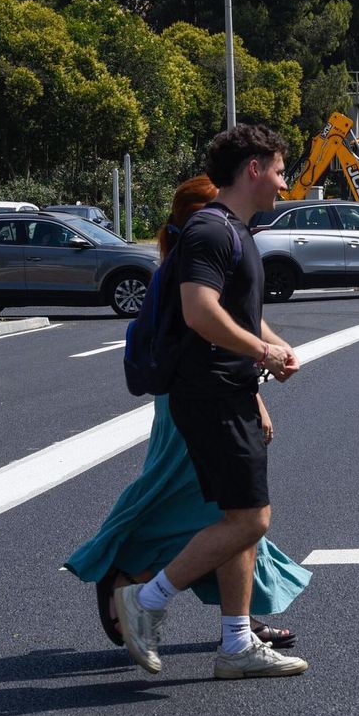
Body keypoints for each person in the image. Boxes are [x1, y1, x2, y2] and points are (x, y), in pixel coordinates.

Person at [65, 175, 309, 650]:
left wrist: (272, 357)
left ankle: (236, 621)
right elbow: (211, 334)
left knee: (228, 509)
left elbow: (241, 320)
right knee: (197, 505)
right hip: (194, 402)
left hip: (215, 395)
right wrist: (261, 376)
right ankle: (131, 578)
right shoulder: (202, 252)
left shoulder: (215, 247)